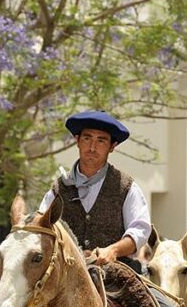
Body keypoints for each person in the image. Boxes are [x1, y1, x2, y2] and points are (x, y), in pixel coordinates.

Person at [38, 111, 151, 270]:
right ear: (77, 141)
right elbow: (40, 227)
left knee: (156, 296)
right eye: (87, 138)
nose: (92, 147)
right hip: (64, 277)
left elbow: (140, 230)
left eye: (101, 141)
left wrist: (113, 250)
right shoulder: (57, 189)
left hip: (116, 274)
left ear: (112, 146)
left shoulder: (126, 187)